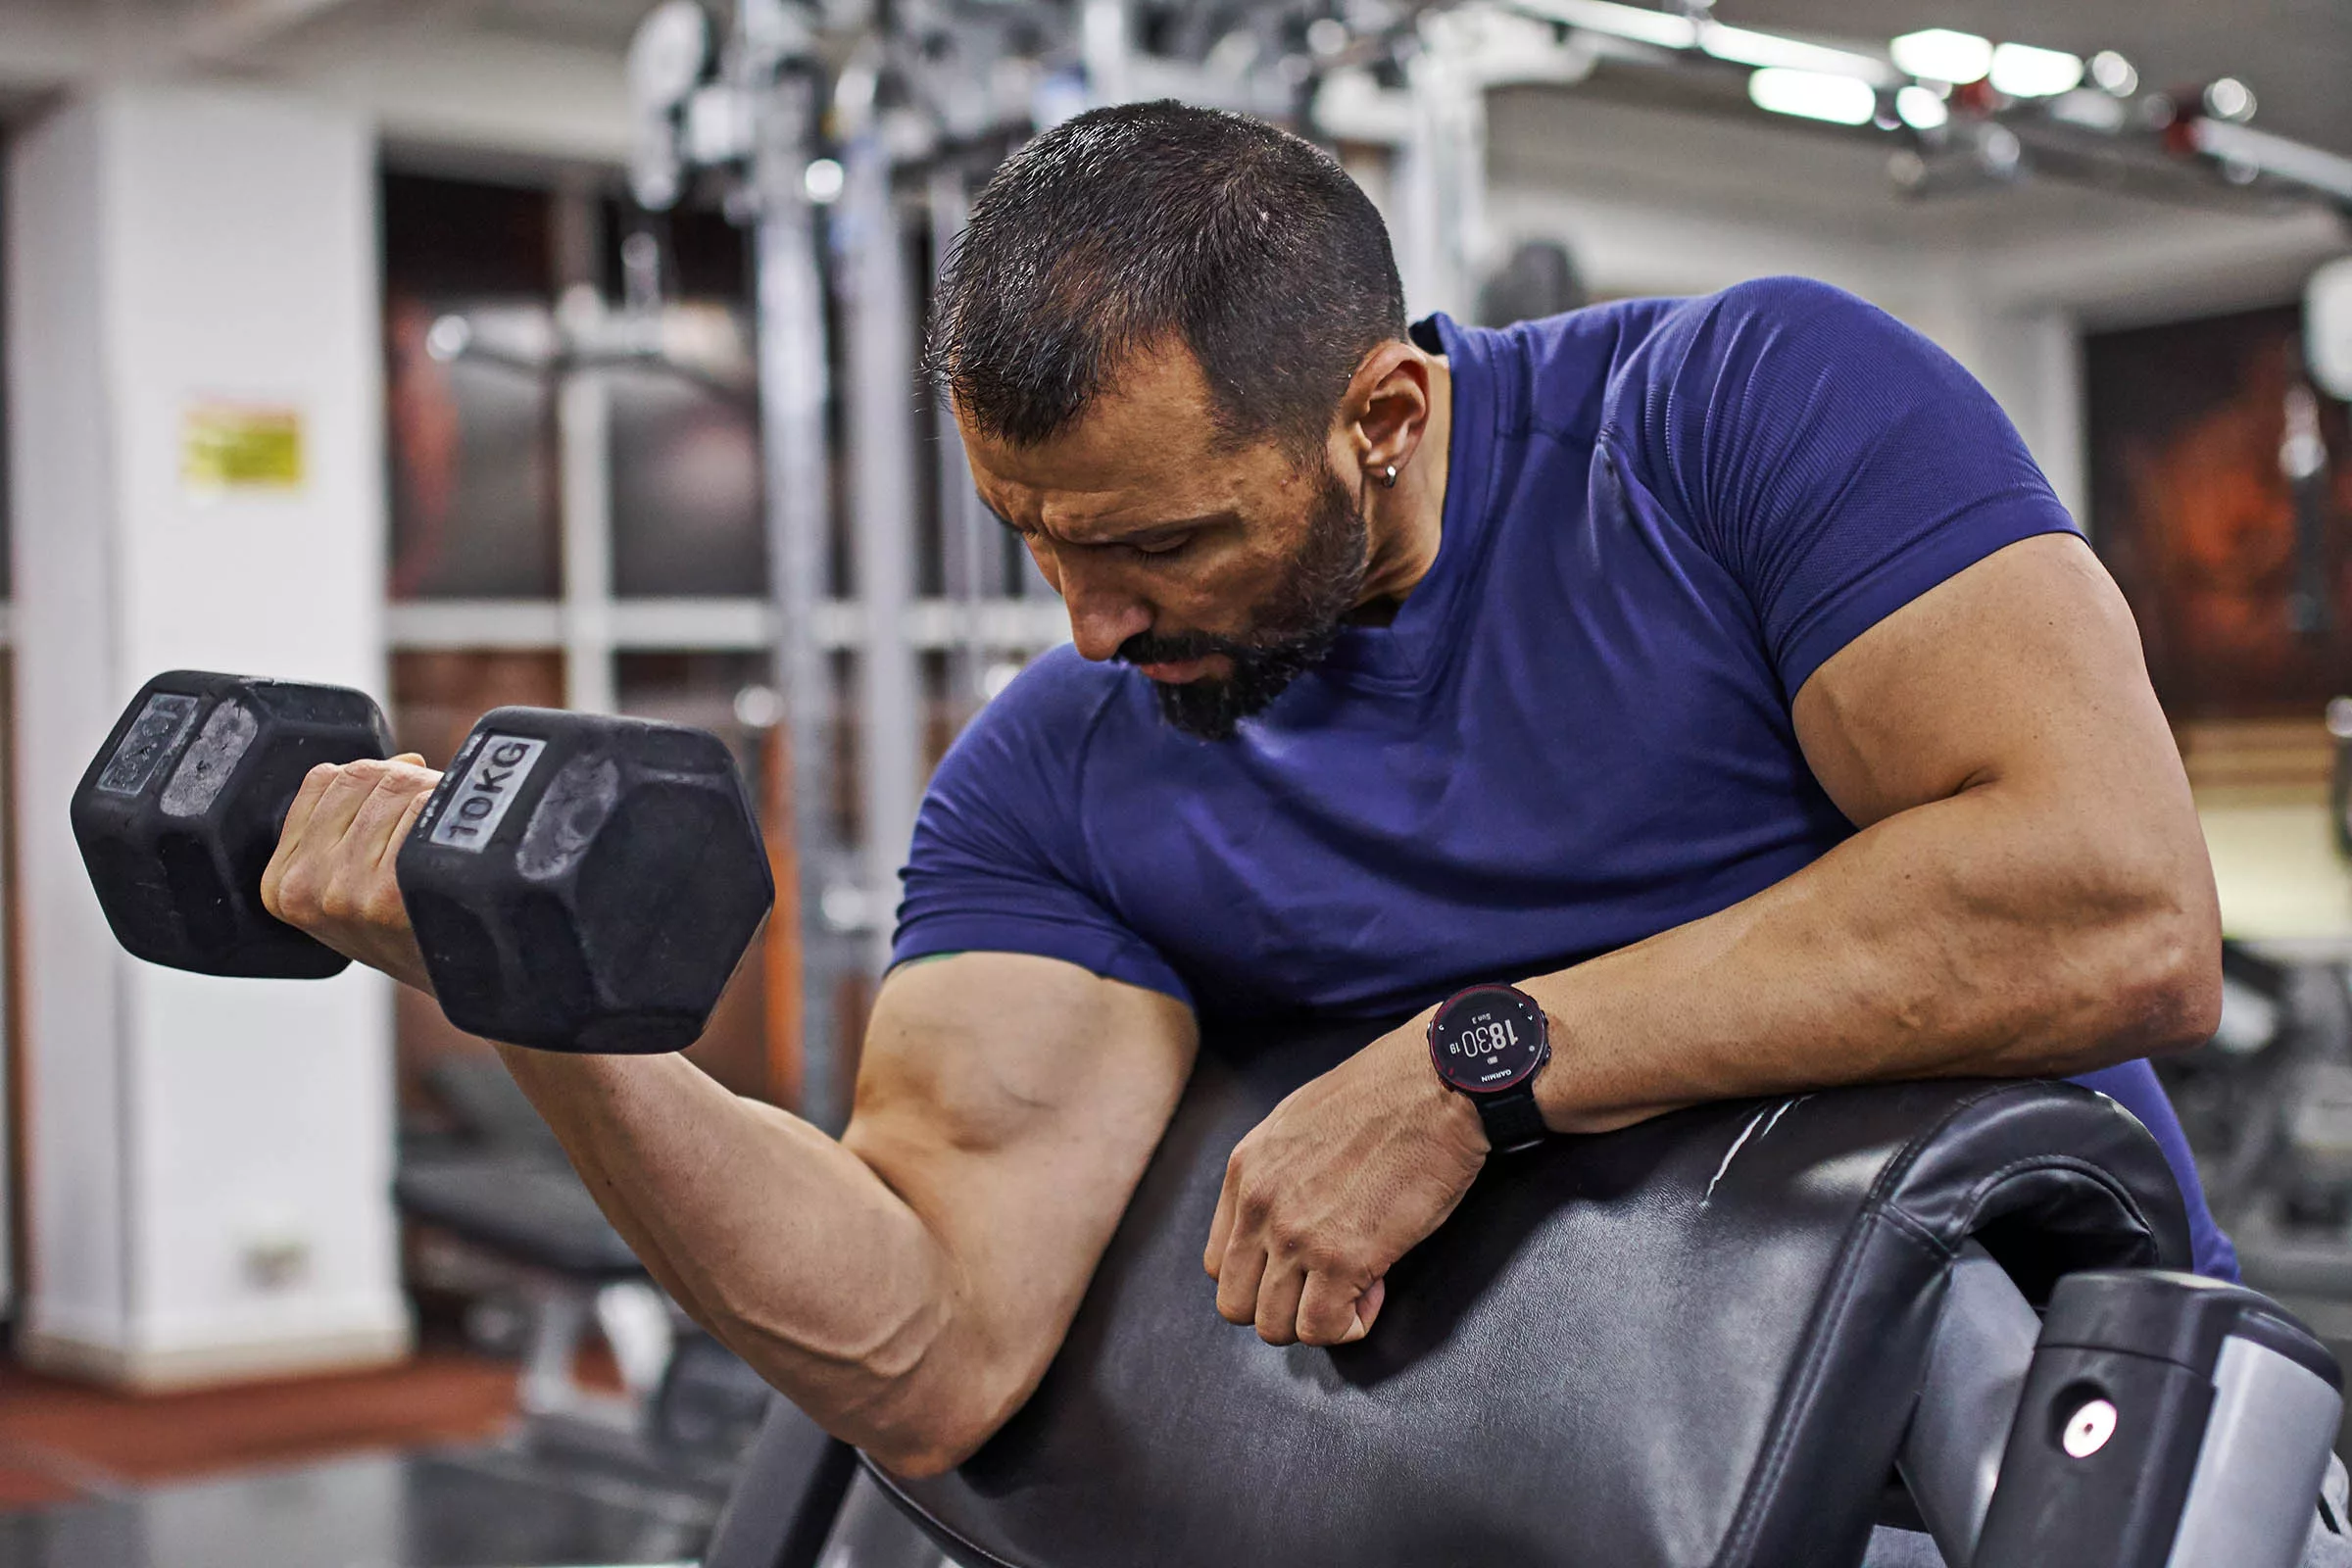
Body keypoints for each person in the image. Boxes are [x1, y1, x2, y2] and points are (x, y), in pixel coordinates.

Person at [263, 103, 2229, 1494]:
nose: (1092, 623)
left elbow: (2114, 906)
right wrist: (537, 1011)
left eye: (1158, 541)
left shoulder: (1740, 417)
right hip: (1566, 1498)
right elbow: (928, 1335)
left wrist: (1475, 1058)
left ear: (1384, 416)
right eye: (1033, 539)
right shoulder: (1058, 773)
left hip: (2035, 1442)